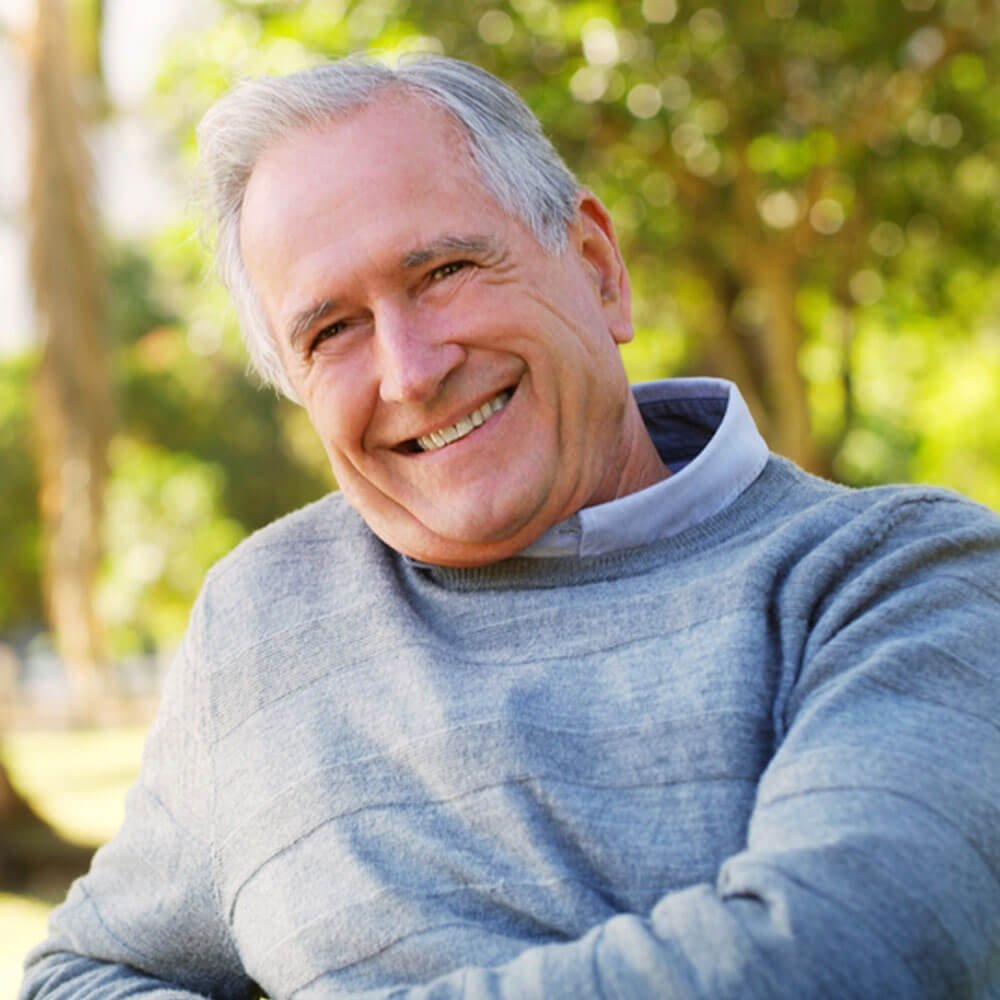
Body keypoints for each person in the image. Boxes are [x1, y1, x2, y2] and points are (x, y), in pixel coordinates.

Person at [20, 54, 1000, 1000]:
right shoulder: (259, 618)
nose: (409, 371)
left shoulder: (906, 579)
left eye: (444, 269)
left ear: (598, 269)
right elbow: (85, 973)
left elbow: (839, 957)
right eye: (331, 331)